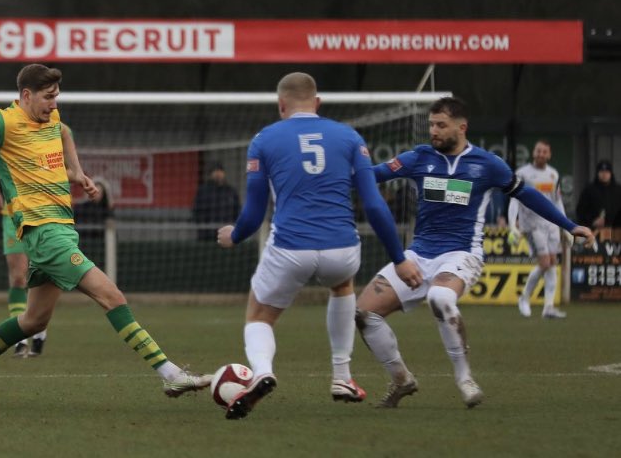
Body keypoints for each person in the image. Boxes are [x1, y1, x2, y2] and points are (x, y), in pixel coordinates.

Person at [0, 64, 211, 407]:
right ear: (26, 96)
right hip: (44, 233)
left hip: (63, 229)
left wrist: (79, 174)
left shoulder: (52, 118)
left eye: (56, 97)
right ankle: (172, 375)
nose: (54, 104)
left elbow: (64, 134)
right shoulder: (2, 123)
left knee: (33, 319)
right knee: (113, 297)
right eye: (48, 97)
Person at [356, 97, 594, 409]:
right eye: (431, 125)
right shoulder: (419, 158)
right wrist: (337, 170)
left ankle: (465, 379)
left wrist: (568, 224)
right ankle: (402, 380)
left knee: (440, 298)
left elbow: (529, 195)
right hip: (419, 255)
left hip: (462, 254)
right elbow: (372, 175)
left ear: (461, 127)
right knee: (363, 314)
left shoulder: (487, 165)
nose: (434, 131)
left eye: (441, 125)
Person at [215, 72, 421, 420]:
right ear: (318, 102)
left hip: (290, 248)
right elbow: (373, 205)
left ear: (281, 105)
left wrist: (234, 235)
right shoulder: (349, 137)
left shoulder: (264, 139)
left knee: (259, 313)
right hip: (343, 249)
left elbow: (253, 211)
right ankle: (342, 376)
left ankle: (263, 371)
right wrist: (399, 258)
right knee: (342, 286)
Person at [0, 160, 47, 357]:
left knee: (41, 275)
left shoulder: (59, 133)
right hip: (12, 215)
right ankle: (20, 339)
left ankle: (39, 331)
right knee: (18, 277)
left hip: (43, 213)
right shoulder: (10, 131)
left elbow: (68, 167)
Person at [508, 140, 568, 319]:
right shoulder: (522, 174)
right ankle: (524, 298)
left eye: (545, 152)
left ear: (549, 155)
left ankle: (548, 307)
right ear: (533, 153)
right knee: (544, 263)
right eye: (538, 151)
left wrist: (565, 225)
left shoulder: (553, 174)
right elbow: (514, 200)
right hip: (532, 225)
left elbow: (557, 201)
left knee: (552, 262)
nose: (541, 154)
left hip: (551, 224)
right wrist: (513, 225)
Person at [193, 163, 241, 240]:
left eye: (220, 171)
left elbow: (237, 211)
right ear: (210, 174)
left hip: (227, 235)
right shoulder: (203, 191)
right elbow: (197, 211)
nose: (218, 173)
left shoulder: (230, 192)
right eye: (215, 171)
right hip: (207, 236)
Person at [576, 160, 621, 233]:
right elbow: (580, 211)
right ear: (597, 173)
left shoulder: (618, 190)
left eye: (607, 172)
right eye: (602, 172)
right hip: (594, 232)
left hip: (616, 232)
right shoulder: (589, 190)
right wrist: (592, 221)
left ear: (611, 173)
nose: (604, 174)